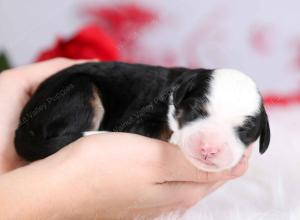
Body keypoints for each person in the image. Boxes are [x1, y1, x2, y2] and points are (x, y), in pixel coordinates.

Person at [0, 58, 252, 219]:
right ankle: (63, 137)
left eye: (241, 130)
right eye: (198, 114)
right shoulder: (164, 101)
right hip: (70, 95)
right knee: (82, 93)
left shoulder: (185, 93)